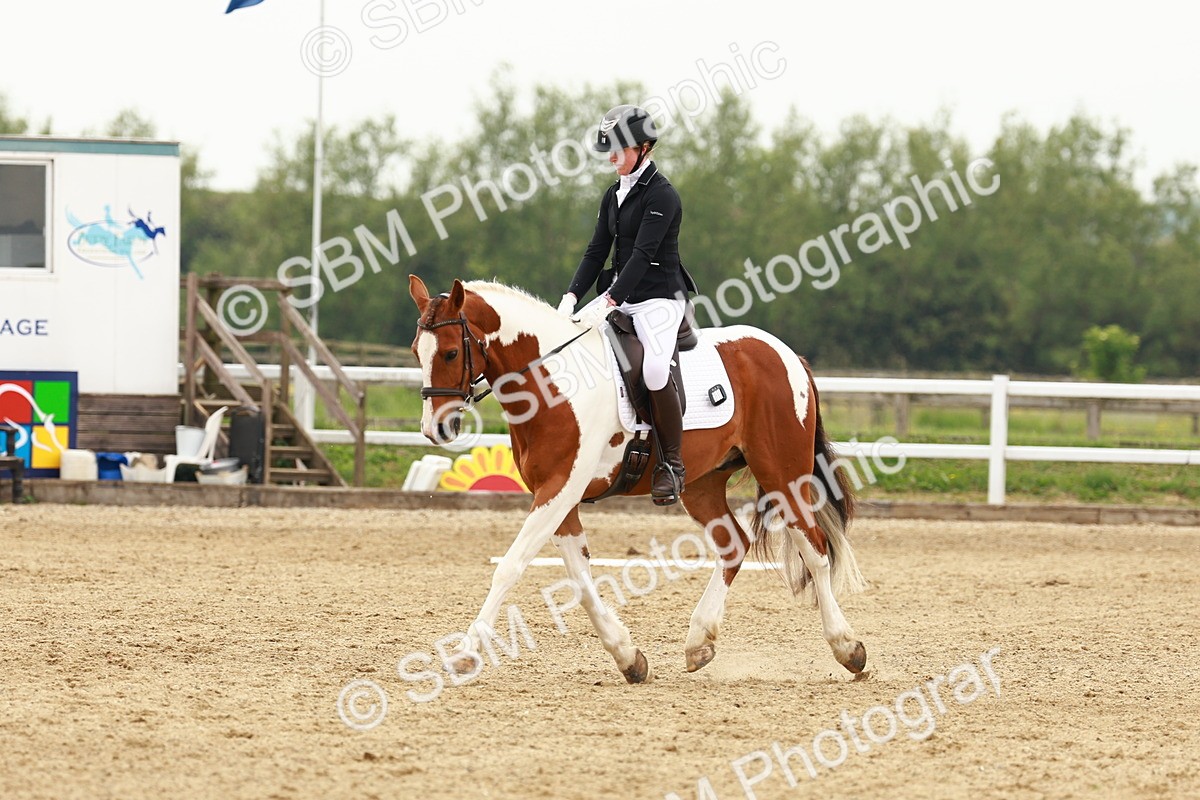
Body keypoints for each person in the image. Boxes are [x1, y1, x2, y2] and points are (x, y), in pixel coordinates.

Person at [558, 104, 697, 506]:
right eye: (610, 150)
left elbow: (642, 254)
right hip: (620, 298)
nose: (612, 157)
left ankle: (672, 463)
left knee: (654, 369)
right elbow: (596, 249)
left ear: (645, 147)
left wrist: (609, 299)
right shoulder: (613, 194)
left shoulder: (663, 195)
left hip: (659, 300)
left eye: (619, 150)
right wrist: (570, 298)